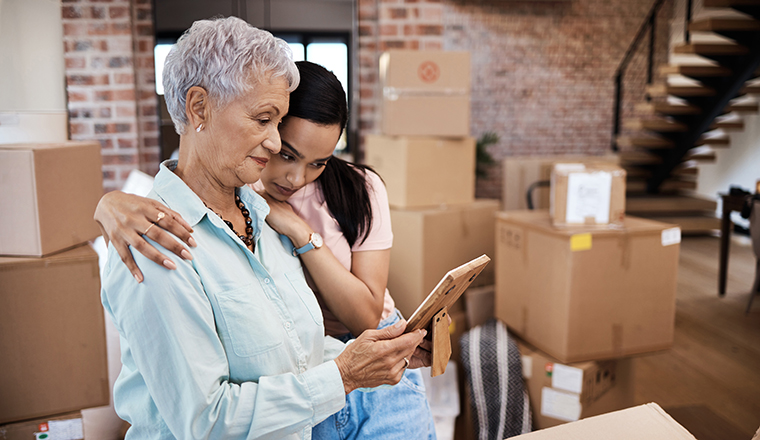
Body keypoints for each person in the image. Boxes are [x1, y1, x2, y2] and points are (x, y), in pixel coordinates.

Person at [98, 16, 429, 440]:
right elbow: (207, 420)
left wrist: (380, 354)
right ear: (199, 107)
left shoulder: (259, 215)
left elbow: (295, 349)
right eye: (262, 120)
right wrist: (345, 375)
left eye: (279, 123)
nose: (275, 143)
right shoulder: (155, 239)